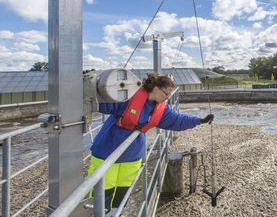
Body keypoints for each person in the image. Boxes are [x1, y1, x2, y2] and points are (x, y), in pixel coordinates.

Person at [88, 72, 214, 216]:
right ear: (155, 89)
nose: (168, 98)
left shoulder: (161, 109)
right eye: (166, 94)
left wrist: (199, 121)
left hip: (132, 155)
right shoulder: (128, 98)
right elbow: (101, 103)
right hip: (107, 151)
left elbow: (178, 120)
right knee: (103, 193)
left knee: (123, 194)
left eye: (170, 95)